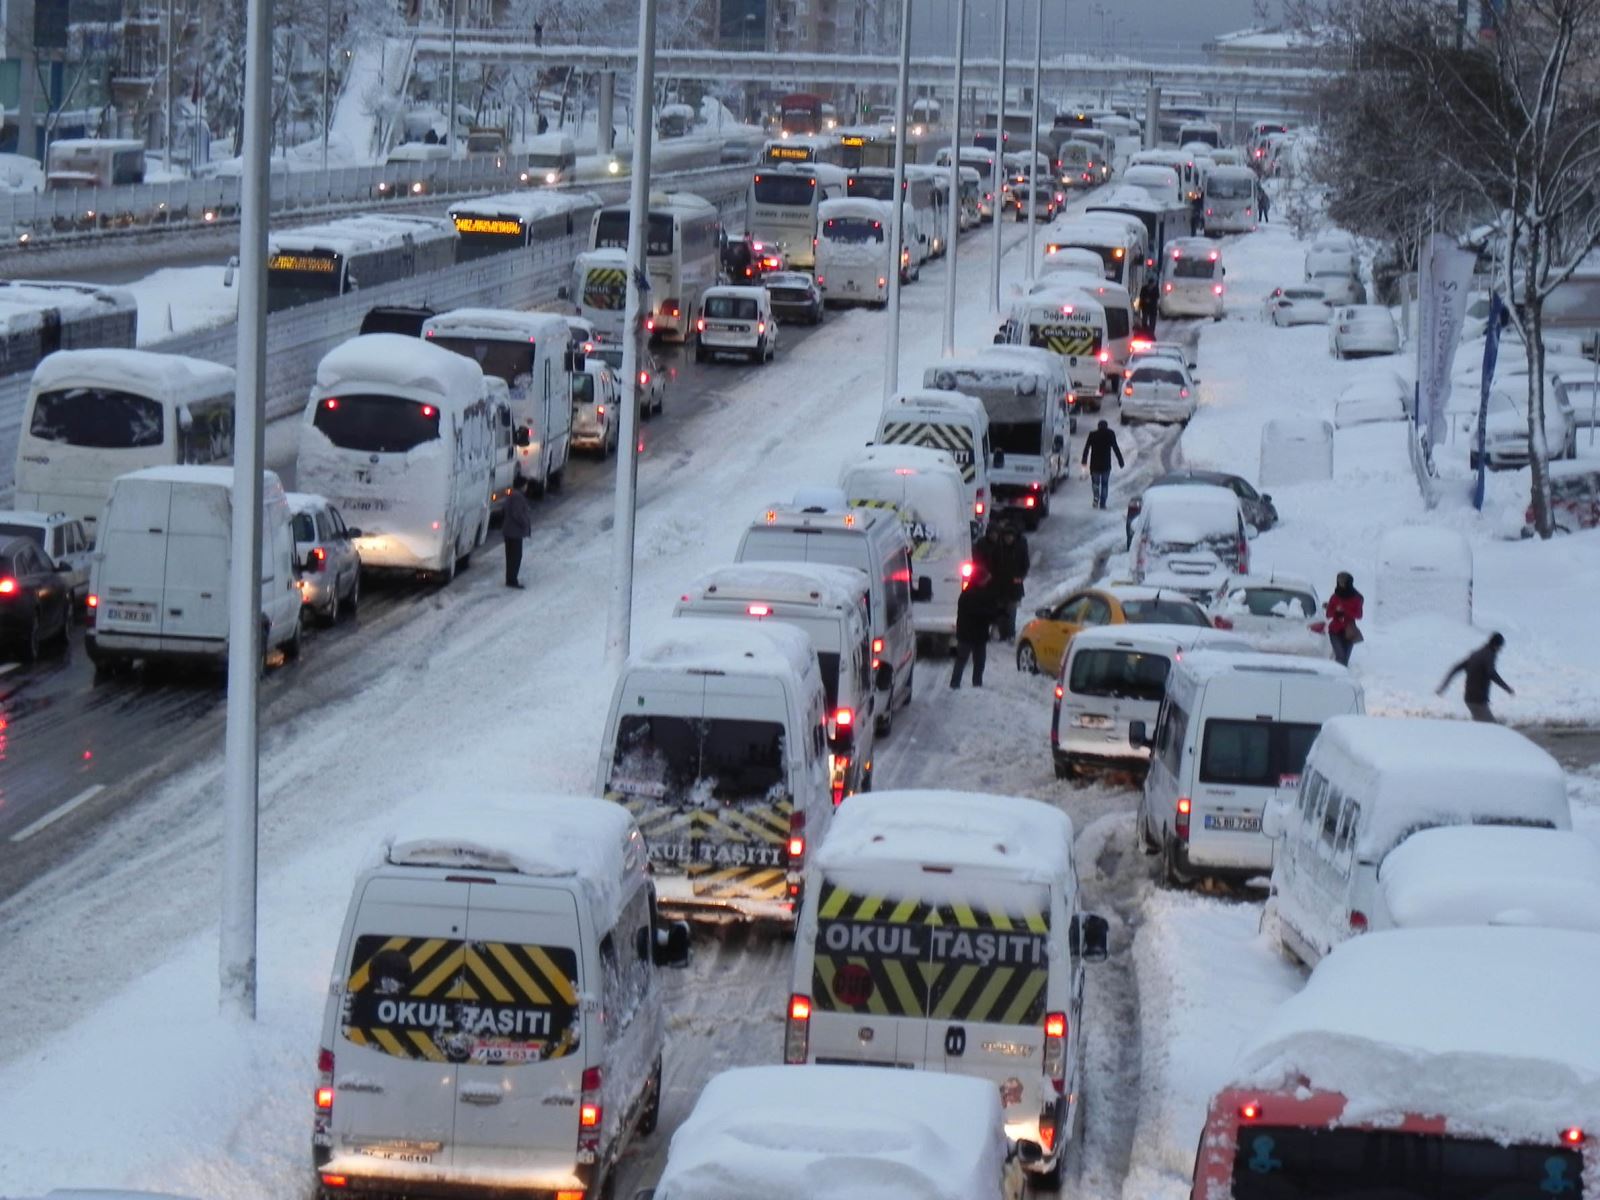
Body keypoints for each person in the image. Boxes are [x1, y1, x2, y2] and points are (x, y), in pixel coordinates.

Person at [1437, 632, 1514, 722]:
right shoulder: (1489, 655)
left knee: (1481, 725)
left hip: (1469, 698)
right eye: (1500, 647)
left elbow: (1455, 668)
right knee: (1491, 728)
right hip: (1478, 700)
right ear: (1496, 645)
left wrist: (1443, 686)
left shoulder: (1476, 654)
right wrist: (1507, 688)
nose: (1500, 650)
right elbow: (1492, 674)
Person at [950, 564, 995, 688]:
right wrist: (992, 614)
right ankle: (971, 683)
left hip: (971, 633)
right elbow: (980, 612)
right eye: (985, 579)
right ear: (980, 580)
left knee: (968, 660)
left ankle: (958, 684)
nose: (987, 581)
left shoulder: (968, 593)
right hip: (971, 633)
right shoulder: (972, 595)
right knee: (973, 660)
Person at [988, 519, 1031, 640]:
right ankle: (1003, 634)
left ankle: (1010, 634)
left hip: (1014, 585)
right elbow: (993, 565)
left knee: (1011, 612)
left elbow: (1025, 564)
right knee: (1001, 610)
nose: (1008, 539)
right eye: (1006, 537)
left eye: (1010, 537)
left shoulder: (1020, 548)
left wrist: (1020, 577)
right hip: (1000, 586)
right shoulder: (999, 548)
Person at [1081, 419, 1124, 509]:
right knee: (1105, 484)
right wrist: (1120, 461)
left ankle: (1096, 498)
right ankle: (1103, 503)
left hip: (1095, 464)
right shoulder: (1110, 434)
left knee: (1095, 484)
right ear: (1106, 426)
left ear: (1098, 426)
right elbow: (1115, 447)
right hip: (1106, 464)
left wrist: (1084, 460)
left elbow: (1086, 448)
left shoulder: (1093, 434)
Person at [1323, 571, 1364, 665]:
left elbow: (1359, 615)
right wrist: (1336, 612)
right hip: (1335, 630)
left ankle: (1341, 678)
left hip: (1349, 632)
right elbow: (1328, 613)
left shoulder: (1357, 598)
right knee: (1340, 657)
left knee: (1345, 659)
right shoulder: (1335, 596)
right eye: (1339, 581)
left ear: (1349, 583)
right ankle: (1337, 676)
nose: (1341, 584)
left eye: (1343, 582)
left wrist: (1344, 611)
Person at [502, 476, 532, 588]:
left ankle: (510, 578)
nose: (526, 487)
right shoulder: (518, 497)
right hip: (515, 532)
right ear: (522, 485)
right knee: (515, 556)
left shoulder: (510, 495)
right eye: (526, 485)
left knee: (510, 556)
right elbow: (517, 514)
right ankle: (512, 580)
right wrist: (525, 524)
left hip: (508, 531)